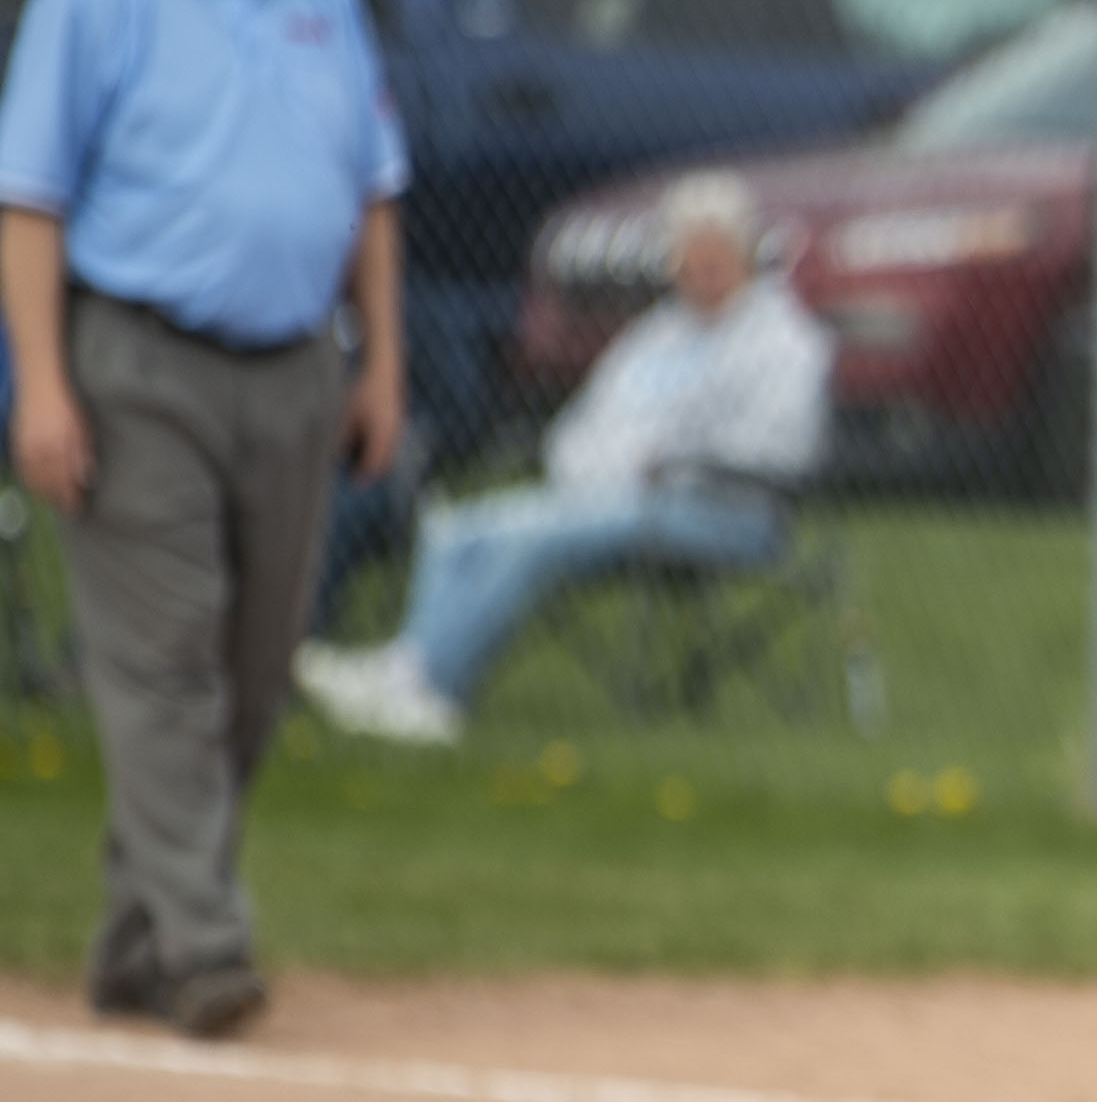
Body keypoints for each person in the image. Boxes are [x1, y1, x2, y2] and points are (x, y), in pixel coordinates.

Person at [0, 0, 407, 1042]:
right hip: (140, 363)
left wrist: (379, 361)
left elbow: (372, 190)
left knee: (255, 666)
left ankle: (134, 941)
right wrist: (42, 383)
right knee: (165, 663)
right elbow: (29, 199)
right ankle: (209, 949)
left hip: (294, 365)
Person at [293, 171, 831, 743]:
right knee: (457, 526)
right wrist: (588, 468)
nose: (699, 271)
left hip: (724, 511)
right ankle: (410, 666)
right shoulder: (658, 335)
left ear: (744, 253)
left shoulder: (784, 341)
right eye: (688, 256)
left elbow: (783, 447)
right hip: (609, 498)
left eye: (713, 255)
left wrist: (675, 461)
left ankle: (431, 685)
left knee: (534, 537)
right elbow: (585, 423)